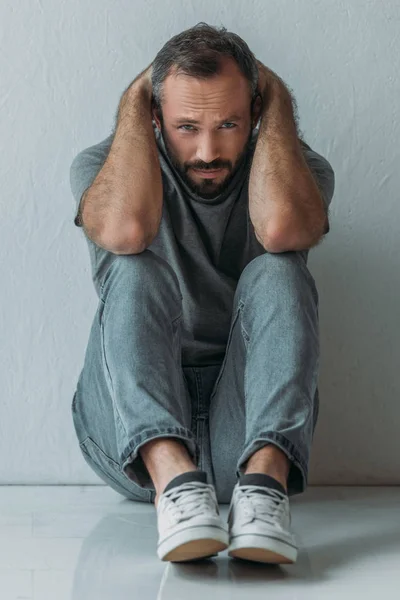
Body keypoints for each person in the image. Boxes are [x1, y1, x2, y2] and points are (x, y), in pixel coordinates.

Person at [69, 22, 335, 565]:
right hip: (129, 439)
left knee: (279, 270)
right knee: (135, 267)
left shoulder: (298, 173)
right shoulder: (102, 170)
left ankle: (263, 493)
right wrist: (132, 99)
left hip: (248, 431)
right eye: (187, 126)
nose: (208, 150)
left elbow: (282, 229)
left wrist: (278, 98)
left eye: (230, 124)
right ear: (155, 116)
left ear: (256, 114)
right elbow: (125, 231)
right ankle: (174, 483)